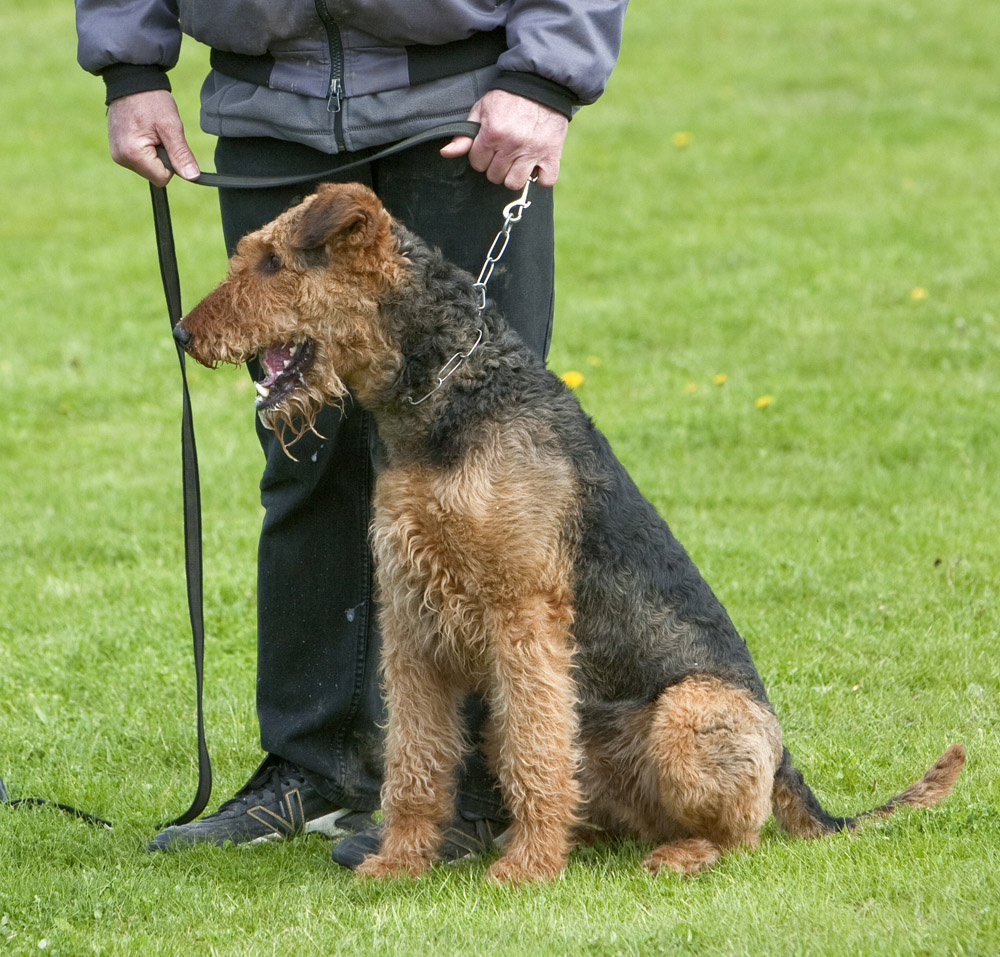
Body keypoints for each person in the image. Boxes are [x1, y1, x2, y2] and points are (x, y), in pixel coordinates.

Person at [75, 1, 628, 866]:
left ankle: (485, 796)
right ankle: (311, 762)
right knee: (301, 453)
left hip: (461, 101)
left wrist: (547, 72)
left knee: (483, 465)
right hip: (268, 104)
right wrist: (130, 64)